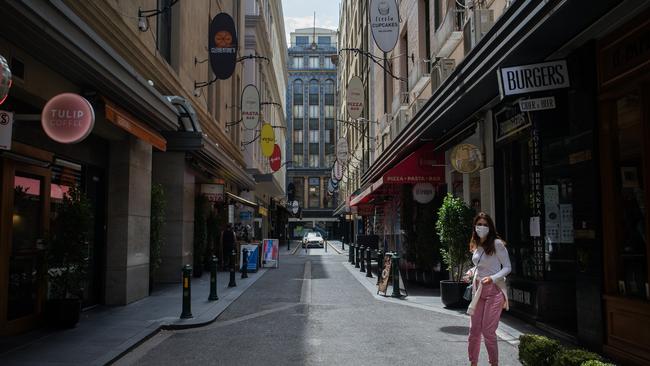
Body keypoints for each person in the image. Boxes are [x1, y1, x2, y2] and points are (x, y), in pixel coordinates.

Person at [464, 212, 511, 366]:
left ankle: (494, 363)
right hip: (478, 291)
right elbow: (481, 266)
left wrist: (493, 278)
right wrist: (471, 272)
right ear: (475, 227)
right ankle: (473, 363)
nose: (482, 227)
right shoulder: (476, 243)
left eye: (485, 225)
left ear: (490, 227)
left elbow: (508, 268)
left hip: (494, 292)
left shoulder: (497, 244)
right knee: (474, 331)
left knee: (488, 332)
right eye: (479, 224)